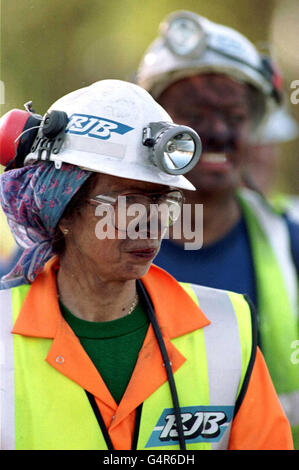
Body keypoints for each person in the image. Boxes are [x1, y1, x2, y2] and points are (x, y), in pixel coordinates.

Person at [0, 79, 292, 450]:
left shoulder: (228, 328)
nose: (151, 221)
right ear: (62, 211)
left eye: (161, 201)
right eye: (127, 202)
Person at [137, 10, 299, 443]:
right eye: (194, 114)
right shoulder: (87, 243)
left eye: (235, 115)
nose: (218, 132)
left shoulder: (291, 245)